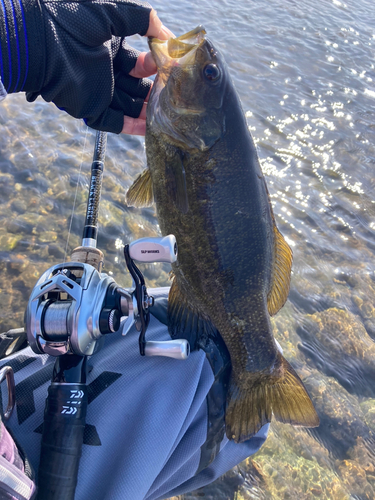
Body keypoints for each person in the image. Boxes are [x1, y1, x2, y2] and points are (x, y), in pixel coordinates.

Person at [0, 1, 270, 499]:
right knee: (209, 376)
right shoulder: (193, 137)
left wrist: (25, 40)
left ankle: (259, 370)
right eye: (209, 73)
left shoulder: (185, 137)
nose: (200, 62)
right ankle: (256, 370)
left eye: (206, 74)